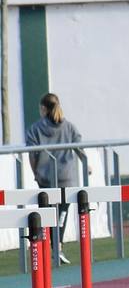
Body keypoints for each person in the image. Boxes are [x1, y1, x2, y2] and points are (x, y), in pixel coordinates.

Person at [25, 92, 83, 262]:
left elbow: (31, 154)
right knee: (62, 213)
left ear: (43, 108)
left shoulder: (35, 129)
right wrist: (86, 164)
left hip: (45, 177)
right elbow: (80, 146)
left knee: (48, 212)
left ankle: (50, 246)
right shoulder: (69, 127)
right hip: (65, 176)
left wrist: (35, 172)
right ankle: (57, 246)